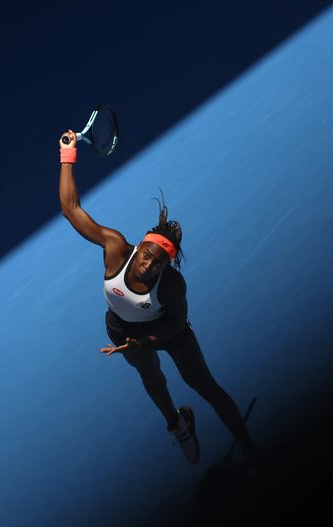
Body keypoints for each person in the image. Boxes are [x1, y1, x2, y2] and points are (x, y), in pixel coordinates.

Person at [58, 129, 256, 465]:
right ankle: (177, 425)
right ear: (140, 247)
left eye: (159, 261)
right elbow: (70, 207)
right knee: (150, 375)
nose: (149, 264)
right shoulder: (115, 248)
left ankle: (252, 451)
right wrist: (67, 156)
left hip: (169, 332)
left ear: (169, 263)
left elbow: (177, 323)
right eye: (148, 254)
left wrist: (145, 340)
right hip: (122, 330)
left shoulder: (172, 285)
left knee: (204, 386)